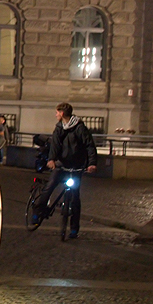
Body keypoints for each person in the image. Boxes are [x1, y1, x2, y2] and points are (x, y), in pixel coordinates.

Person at [30, 102, 97, 238]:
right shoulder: (59, 128)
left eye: (57, 112)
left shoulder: (79, 128)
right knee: (50, 187)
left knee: (75, 197)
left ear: (62, 113)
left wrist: (92, 163)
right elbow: (55, 144)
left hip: (76, 166)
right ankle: (37, 211)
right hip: (61, 164)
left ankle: (74, 228)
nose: (55, 115)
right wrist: (51, 160)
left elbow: (89, 145)